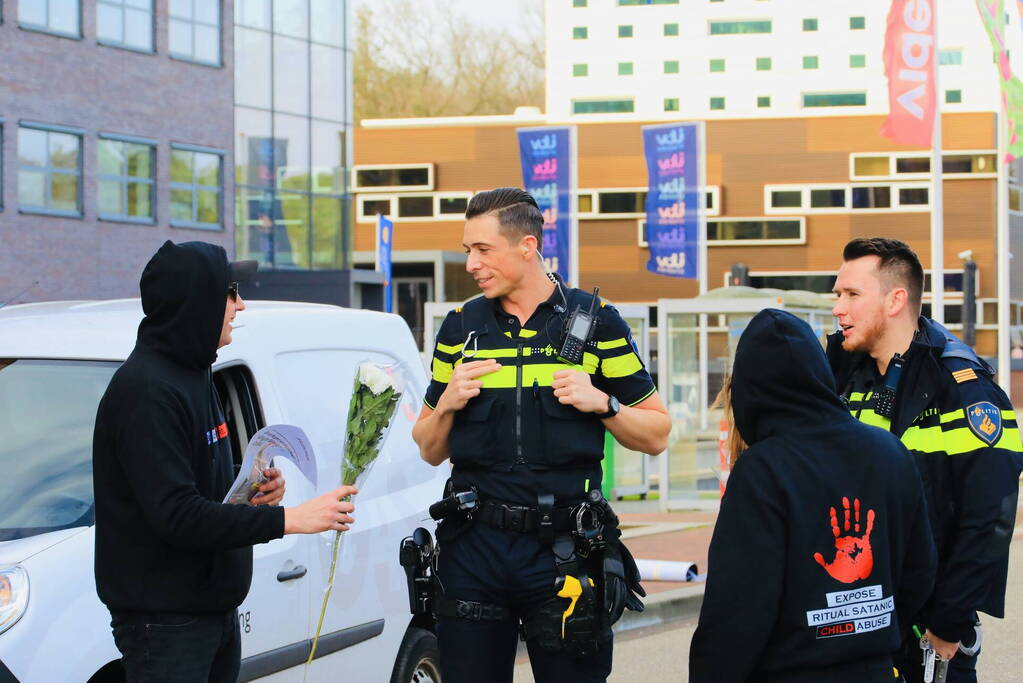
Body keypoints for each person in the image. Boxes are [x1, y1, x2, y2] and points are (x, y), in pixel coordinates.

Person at [411, 188, 670, 683]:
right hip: (474, 550)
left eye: (482, 250)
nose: (471, 264)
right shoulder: (460, 329)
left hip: (565, 552)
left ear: (526, 246)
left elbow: (656, 432)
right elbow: (428, 448)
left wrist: (604, 403)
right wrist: (446, 404)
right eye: (468, 250)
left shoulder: (597, 324)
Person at [93, 240, 357, 683]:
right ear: (197, 302)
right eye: (231, 292)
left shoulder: (196, 371)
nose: (242, 304)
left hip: (210, 611)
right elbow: (177, 516)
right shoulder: (147, 392)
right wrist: (289, 520)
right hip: (167, 624)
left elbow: (197, 494)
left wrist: (252, 494)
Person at [690, 308, 937, 683]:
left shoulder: (763, 470)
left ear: (750, 389)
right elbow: (919, 572)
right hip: (875, 669)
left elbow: (737, 611)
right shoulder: (889, 450)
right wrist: (867, 631)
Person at [828, 237, 1023, 682]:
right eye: (837, 294)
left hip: (928, 636)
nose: (839, 308)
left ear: (896, 299)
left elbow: (989, 517)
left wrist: (948, 622)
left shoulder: (964, 388)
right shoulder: (842, 378)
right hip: (855, 623)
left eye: (852, 295)